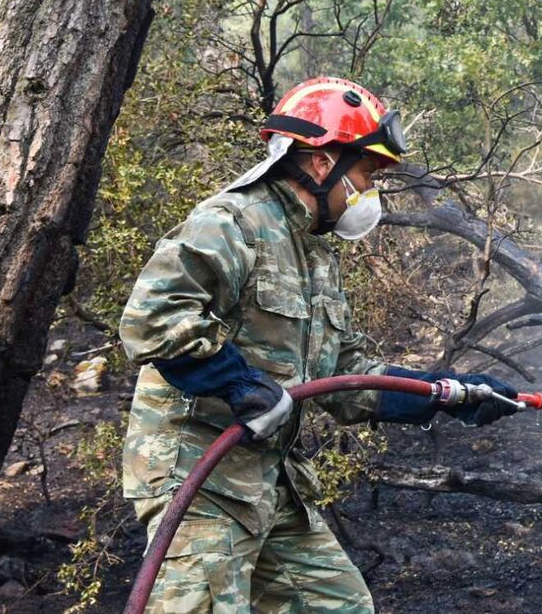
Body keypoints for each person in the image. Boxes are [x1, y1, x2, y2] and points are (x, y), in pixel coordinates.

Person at [119, 77, 518, 612]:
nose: (369, 192)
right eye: (366, 174)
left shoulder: (314, 253)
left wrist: (448, 394)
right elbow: (153, 318)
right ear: (321, 161)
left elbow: (347, 374)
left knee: (339, 606)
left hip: (271, 481)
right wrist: (239, 385)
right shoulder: (232, 223)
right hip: (199, 481)